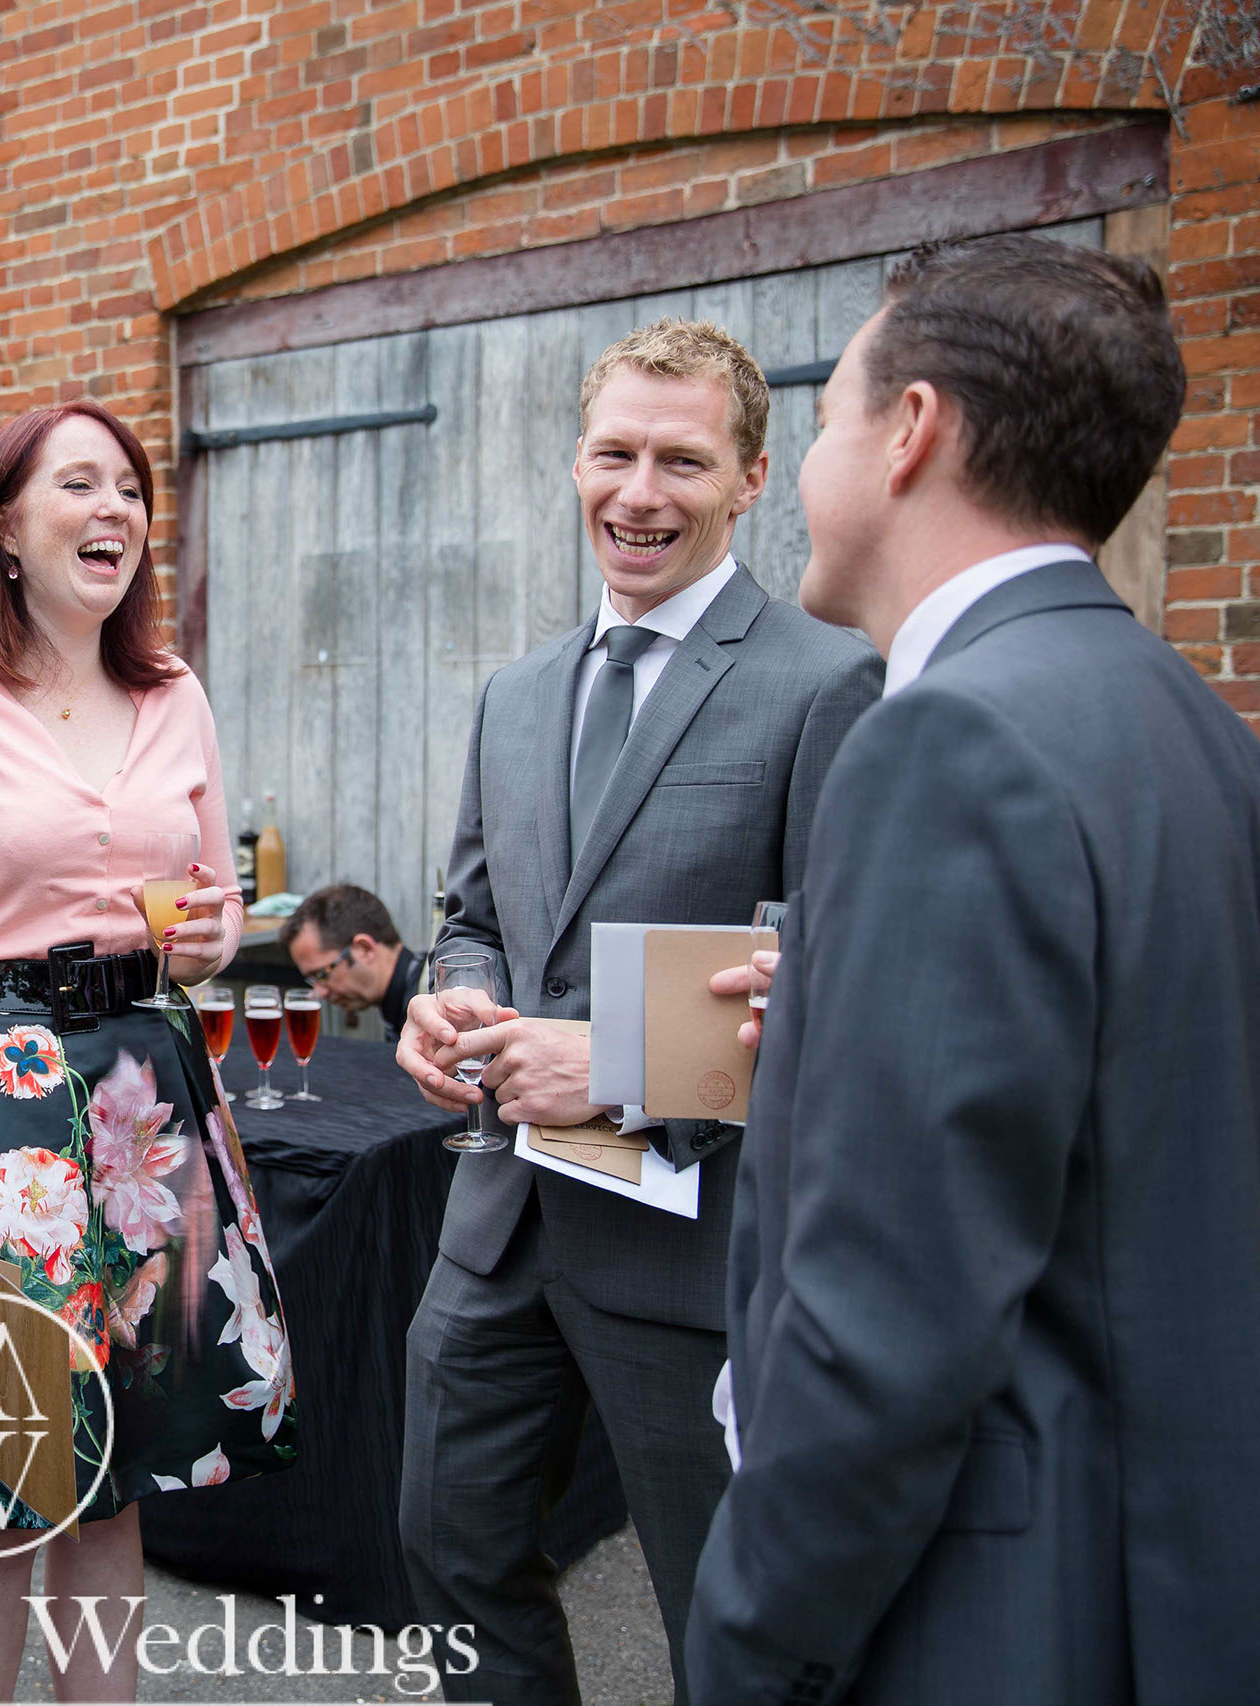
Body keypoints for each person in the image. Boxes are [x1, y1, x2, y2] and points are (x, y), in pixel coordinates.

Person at [686, 237, 1260, 1704]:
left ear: (913, 431)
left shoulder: (946, 740)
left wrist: (749, 1637)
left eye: (820, 426)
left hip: (991, 1610)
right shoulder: (1190, 726)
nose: (810, 470)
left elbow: (884, 1324)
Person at [391, 319, 882, 1706]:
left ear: (751, 479)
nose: (640, 491)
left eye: (682, 458)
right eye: (615, 452)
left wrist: (613, 1063)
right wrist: (450, 1000)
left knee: (727, 1627)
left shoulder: (826, 681)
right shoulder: (517, 692)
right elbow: (475, 919)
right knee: (449, 1554)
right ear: (574, 463)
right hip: (500, 1232)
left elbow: (837, 983)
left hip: (699, 1258)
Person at [0, 397, 297, 1700]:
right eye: (77, 484)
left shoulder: (171, 690)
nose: (116, 511)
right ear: (9, 526)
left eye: (131, 489)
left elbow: (208, 919)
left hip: (145, 1099)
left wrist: (212, 930)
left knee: (116, 1485)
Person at [281, 882, 423, 1040]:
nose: (320, 992)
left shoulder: (433, 1006)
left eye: (322, 974)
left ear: (364, 949)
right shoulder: (407, 994)